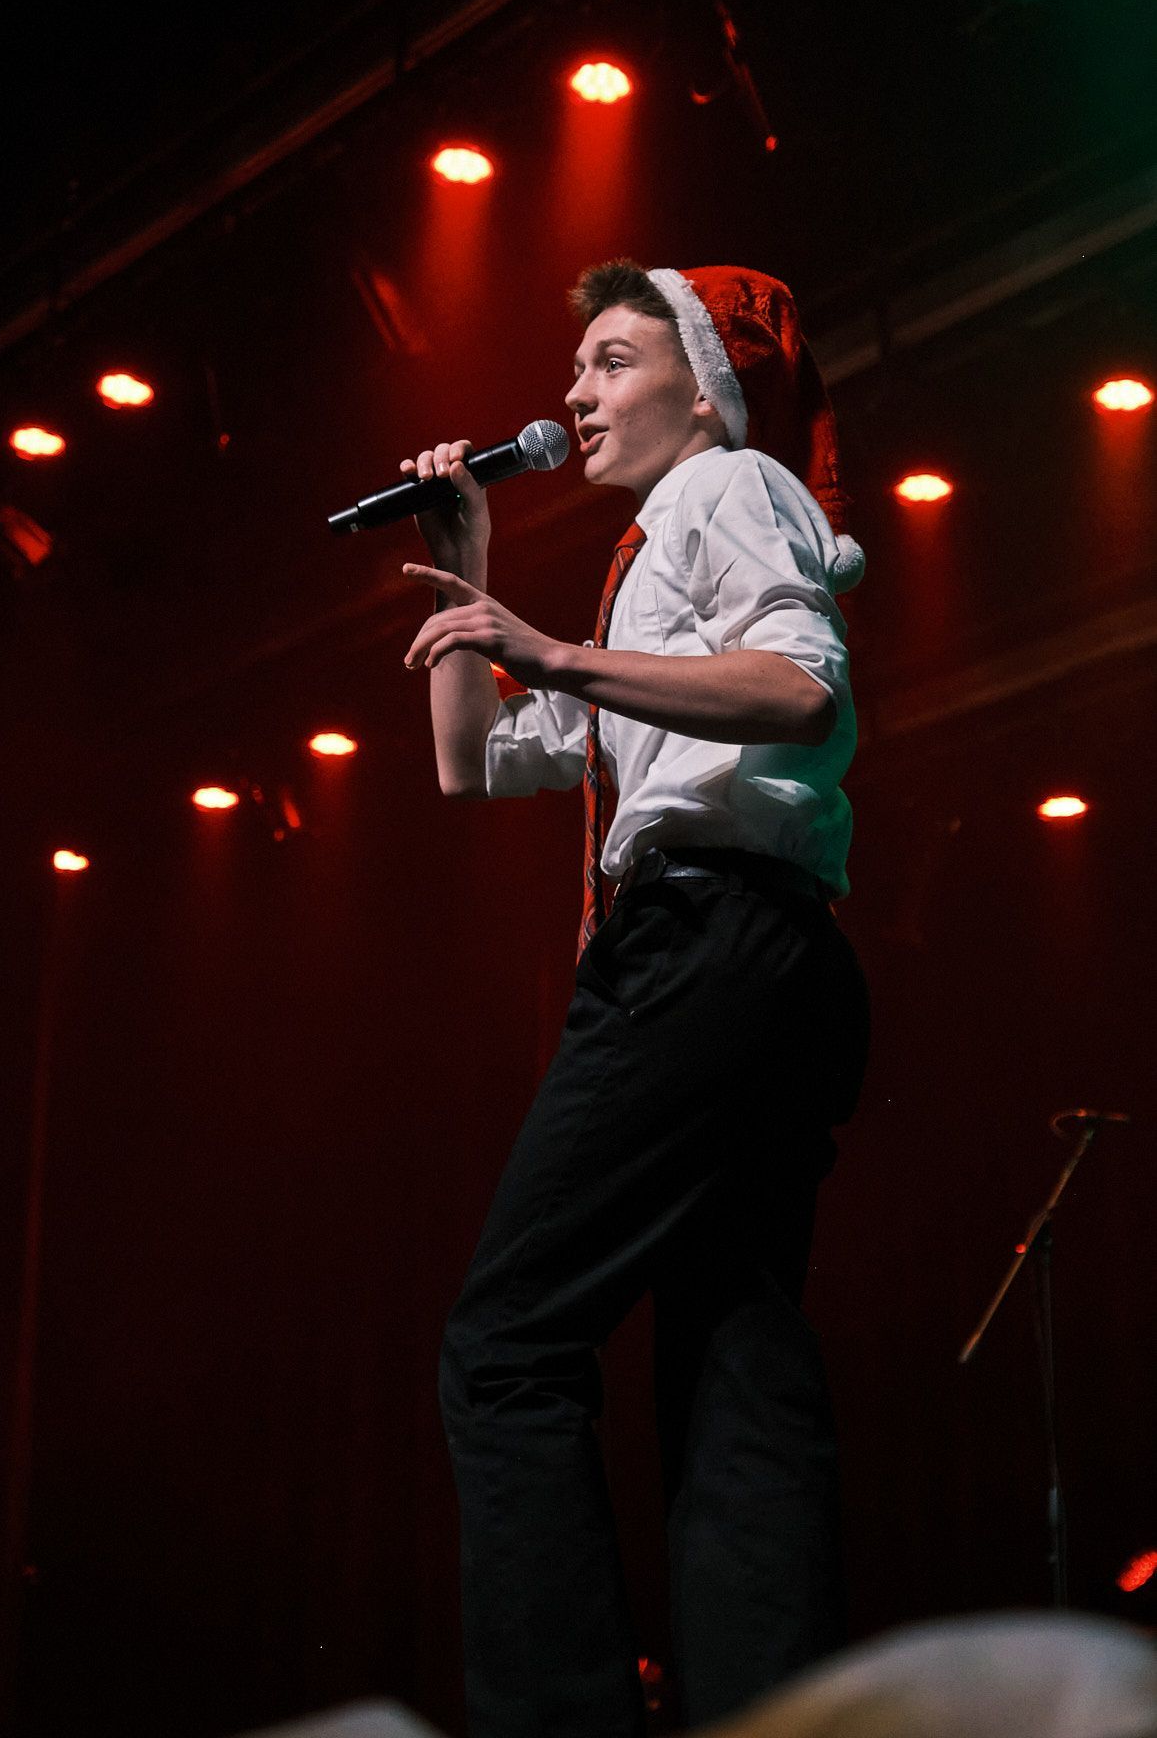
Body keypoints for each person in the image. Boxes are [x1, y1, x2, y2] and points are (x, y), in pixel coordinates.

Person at [399, 261, 872, 1738]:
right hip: (767, 957)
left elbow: (803, 691)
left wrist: (546, 647)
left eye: (610, 361)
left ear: (704, 385)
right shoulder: (657, 546)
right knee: (732, 1359)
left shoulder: (728, 482)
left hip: (708, 941)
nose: (572, 396)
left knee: (506, 1347)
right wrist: (477, 571)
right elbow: (471, 765)